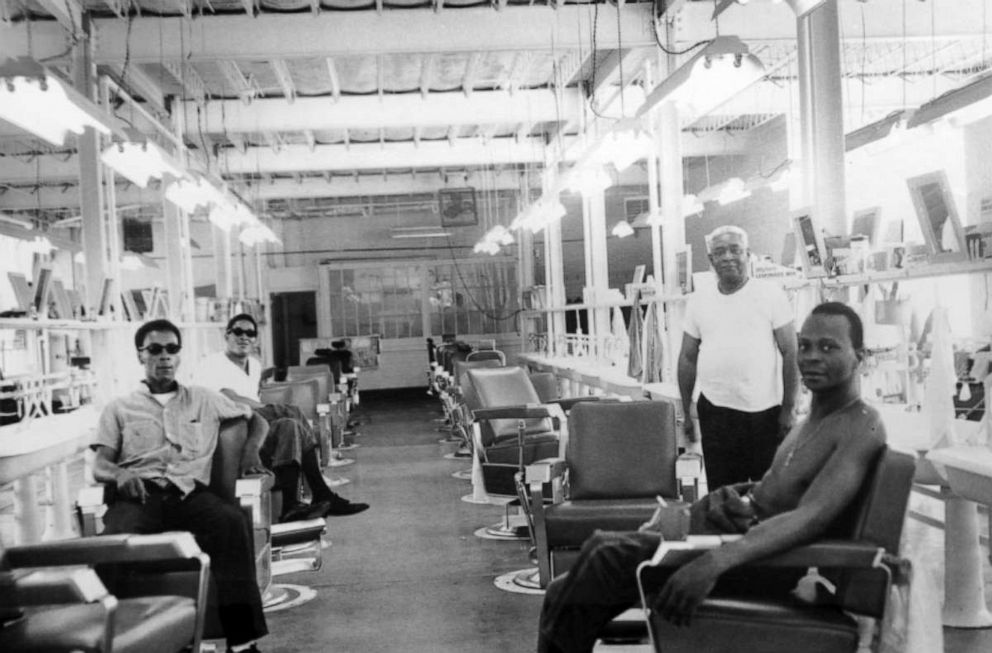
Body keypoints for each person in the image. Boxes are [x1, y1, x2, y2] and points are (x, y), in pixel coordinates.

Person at [538, 302, 886, 653]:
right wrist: (740, 497)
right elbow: (784, 489)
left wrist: (714, 562)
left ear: (860, 356)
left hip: (768, 566)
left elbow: (810, 517)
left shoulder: (861, 424)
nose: (811, 356)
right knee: (567, 584)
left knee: (604, 555)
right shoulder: (808, 423)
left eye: (828, 347)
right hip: (743, 543)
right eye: (806, 345)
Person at [92, 319, 269, 653]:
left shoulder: (204, 399)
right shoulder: (118, 408)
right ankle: (110, 639)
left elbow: (257, 420)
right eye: (155, 350)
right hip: (138, 497)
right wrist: (120, 475)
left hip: (190, 496)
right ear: (140, 355)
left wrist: (251, 450)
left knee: (231, 524)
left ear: (180, 355)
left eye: (172, 349)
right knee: (112, 544)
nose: (165, 357)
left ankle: (244, 643)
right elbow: (100, 464)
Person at [193, 313, 369, 520]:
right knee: (290, 411)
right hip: (231, 428)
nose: (244, 337)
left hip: (256, 428)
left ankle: (291, 504)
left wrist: (265, 410)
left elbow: (253, 396)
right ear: (227, 335)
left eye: (250, 333)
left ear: (255, 339)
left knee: (289, 425)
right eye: (238, 332)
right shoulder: (212, 363)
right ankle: (322, 491)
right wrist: (267, 407)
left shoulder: (254, 365)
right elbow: (228, 398)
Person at [678, 225, 799, 490]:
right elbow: (687, 358)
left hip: (764, 414)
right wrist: (686, 409)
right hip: (715, 412)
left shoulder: (771, 295)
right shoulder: (698, 301)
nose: (728, 257)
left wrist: (789, 408)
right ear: (711, 261)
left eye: (735, 250)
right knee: (722, 497)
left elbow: (791, 352)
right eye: (720, 252)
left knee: (765, 495)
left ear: (748, 254)